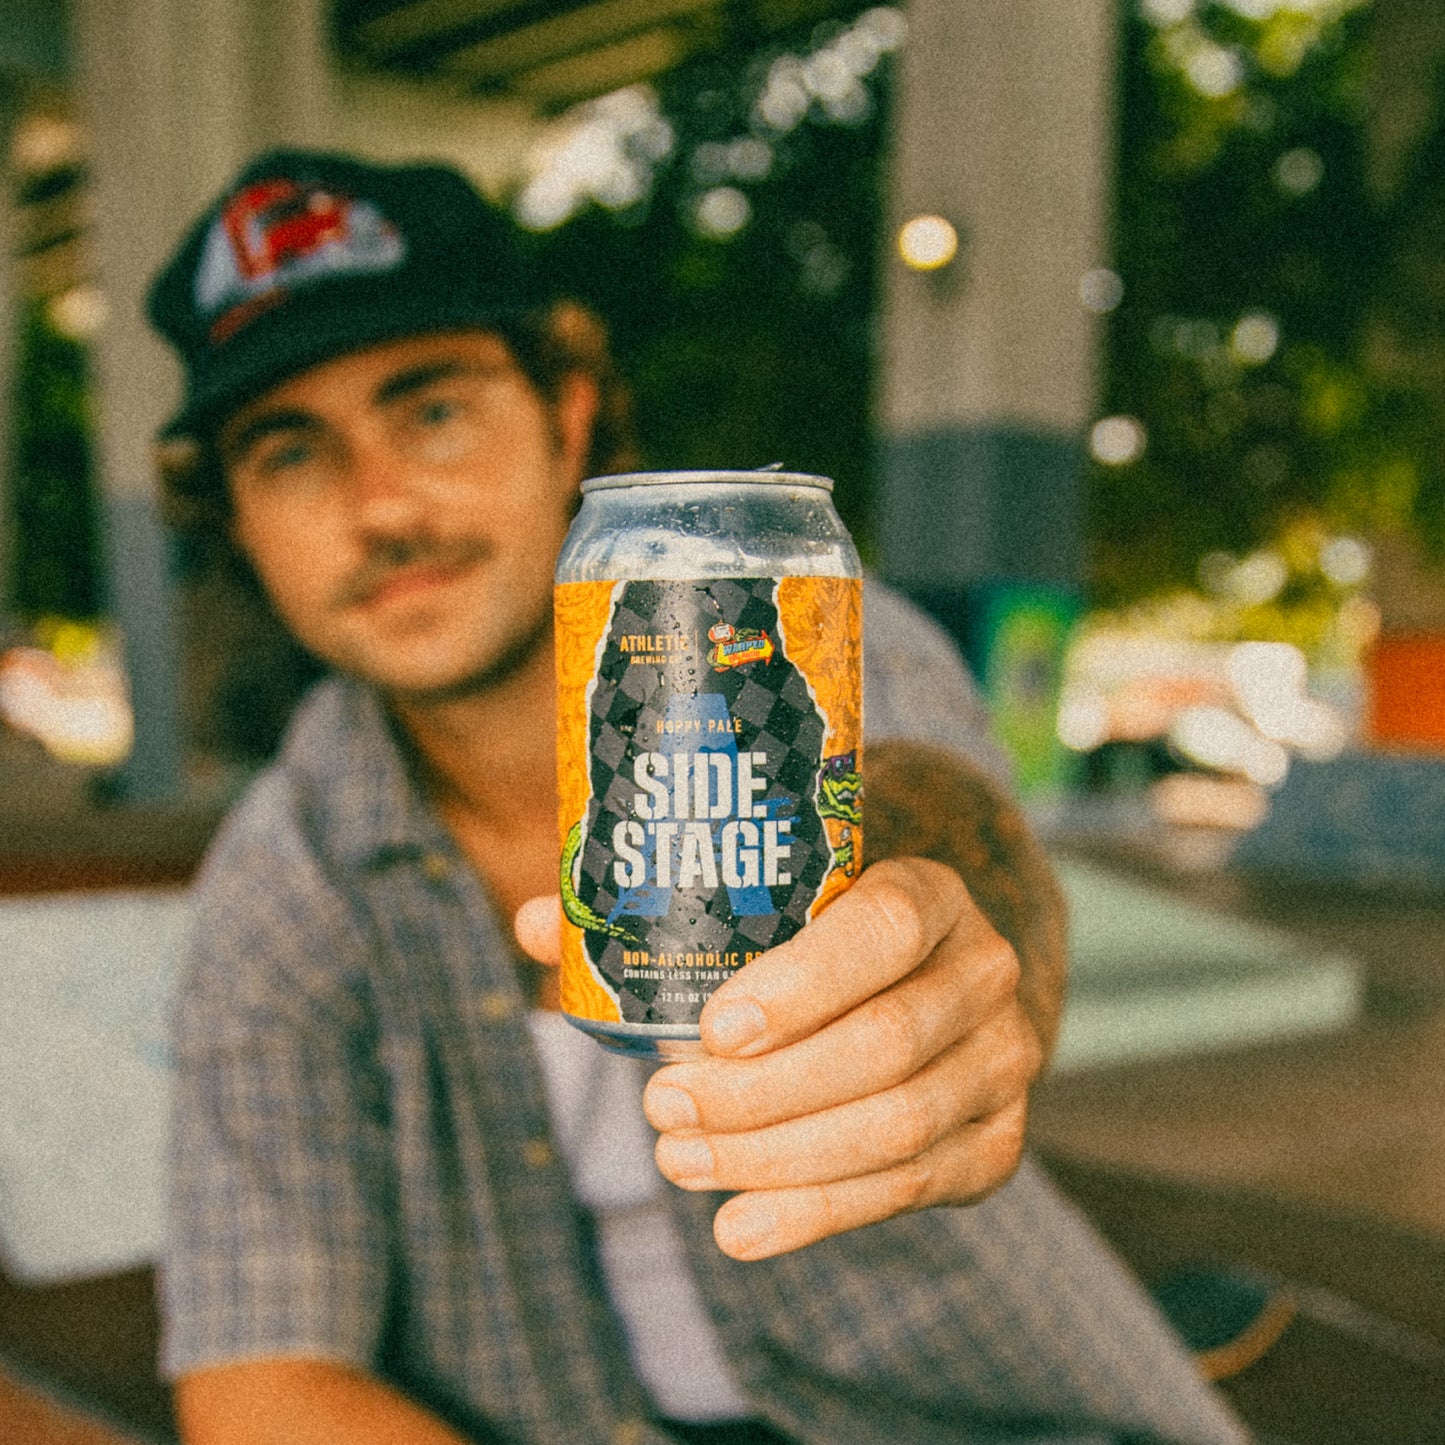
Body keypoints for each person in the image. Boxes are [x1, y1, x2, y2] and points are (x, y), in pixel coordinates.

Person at [148, 151, 1247, 1445]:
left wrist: (929, 959)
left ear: (565, 421)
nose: (381, 506)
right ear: (236, 521)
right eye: (288, 453)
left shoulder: (790, 636)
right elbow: (257, 1373)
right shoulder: (288, 872)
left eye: (432, 409)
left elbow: (931, 811)